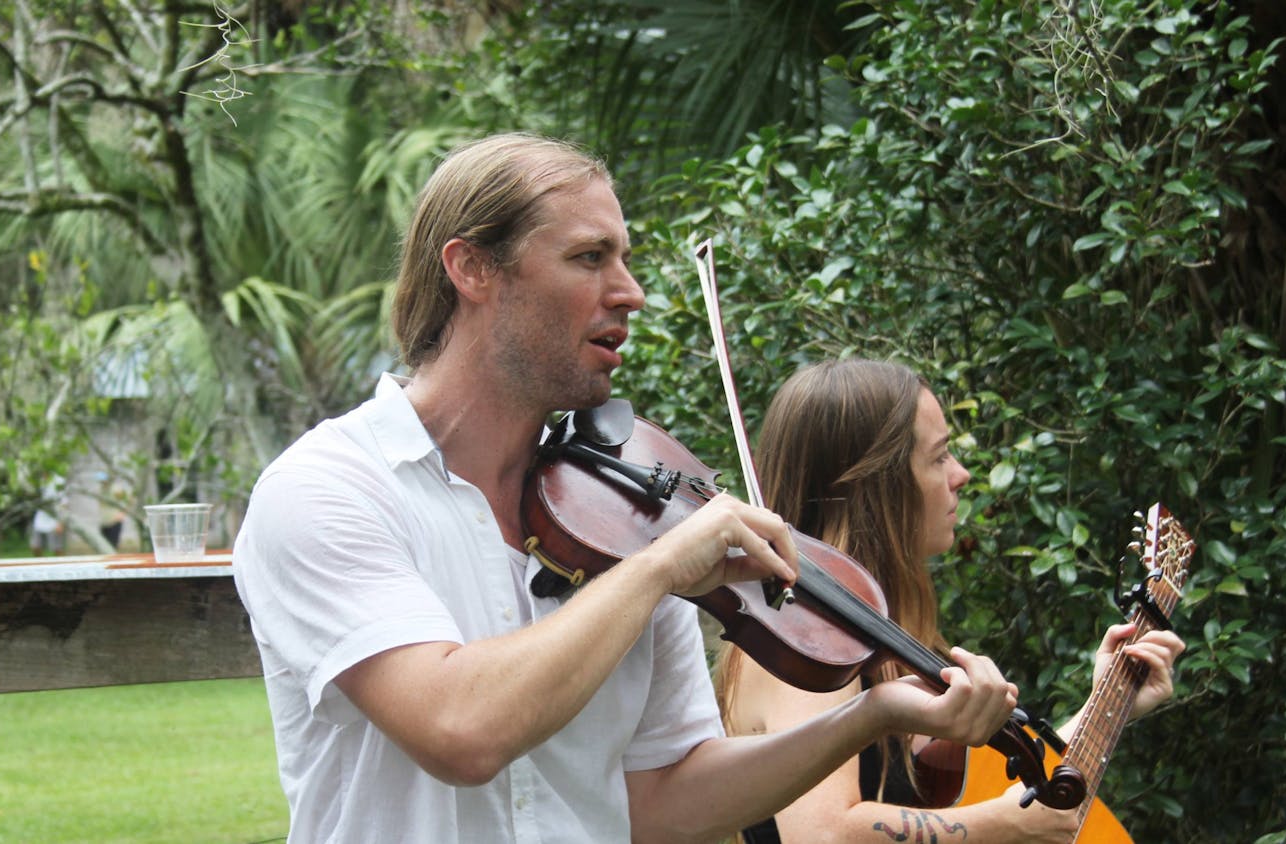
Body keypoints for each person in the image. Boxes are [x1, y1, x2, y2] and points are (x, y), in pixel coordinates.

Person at [232, 133, 1022, 843]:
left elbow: (666, 799)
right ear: (470, 267)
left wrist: (869, 712)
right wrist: (660, 572)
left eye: (625, 257)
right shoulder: (328, 490)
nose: (631, 290)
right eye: (589, 258)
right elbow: (460, 730)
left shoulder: (629, 511)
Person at [717, 358, 1185, 843]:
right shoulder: (804, 636)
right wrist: (1002, 826)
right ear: (877, 485)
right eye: (938, 457)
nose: (960, 475)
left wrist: (1107, 702)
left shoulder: (877, 635)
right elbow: (821, 836)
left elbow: (1005, 802)